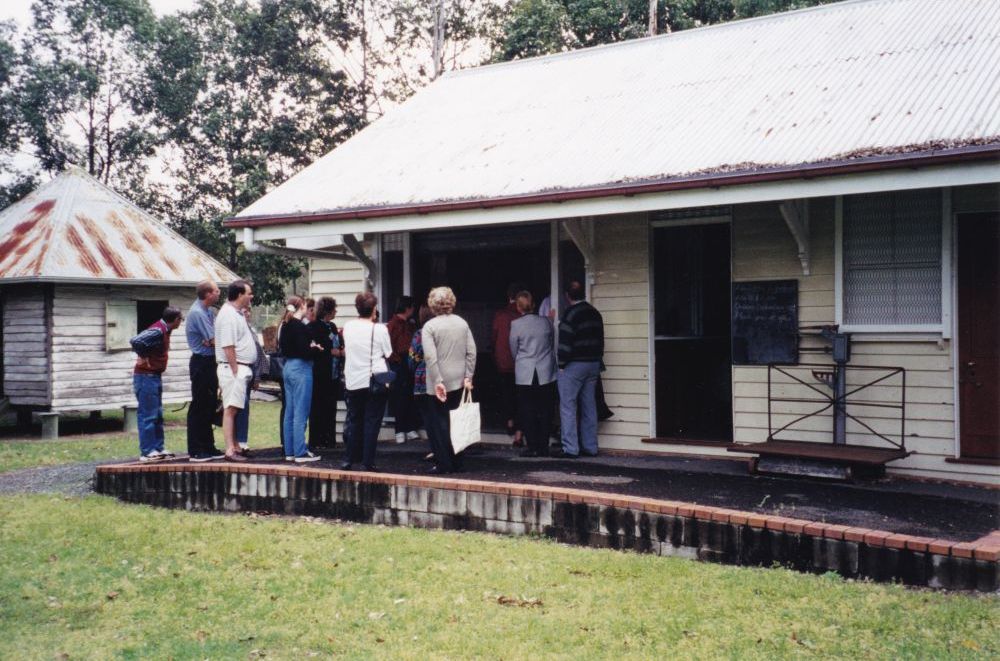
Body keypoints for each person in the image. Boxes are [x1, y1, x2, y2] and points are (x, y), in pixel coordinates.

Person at [421, 287, 477, 474]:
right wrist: (469, 375)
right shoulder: (462, 323)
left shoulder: (429, 327)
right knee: (458, 421)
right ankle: (458, 462)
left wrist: (438, 380)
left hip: (439, 381)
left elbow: (430, 357)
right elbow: (472, 352)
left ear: (432, 305)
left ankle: (444, 463)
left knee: (439, 423)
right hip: (460, 379)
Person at [341, 292, 392, 471]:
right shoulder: (379, 329)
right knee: (372, 422)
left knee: (354, 419)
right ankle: (367, 462)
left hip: (354, 379)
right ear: (374, 309)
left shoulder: (348, 326)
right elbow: (388, 353)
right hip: (375, 379)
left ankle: (348, 459)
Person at [556, 280, 604, 458]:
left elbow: (565, 343)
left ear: (567, 296)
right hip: (592, 363)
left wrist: (561, 365)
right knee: (589, 406)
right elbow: (601, 341)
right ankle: (590, 447)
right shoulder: (595, 313)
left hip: (574, 365)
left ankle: (570, 448)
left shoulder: (570, 314)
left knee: (568, 406)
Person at [509, 291, 557, 458]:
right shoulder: (546, 322)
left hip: (525, 371)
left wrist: (522, 361)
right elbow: (552, 343)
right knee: (544, 409)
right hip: (545, 370)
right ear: (534, 304)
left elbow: (513, 349)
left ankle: (533, 446)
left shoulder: (516, 324)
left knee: (527, 410)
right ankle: (543, 446)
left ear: (518, 307)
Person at [132, 306, 183, 462]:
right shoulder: (158, 330)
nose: (181, 322)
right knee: (148, 414)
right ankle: (147, 451)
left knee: (157, 414)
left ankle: (158, 448)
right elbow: (136, 340)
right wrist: (143, 355)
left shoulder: (166, 330)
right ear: (176, 320)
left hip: (154, 375)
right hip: (145, 376)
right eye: (180, 319)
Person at [215, 279, 257, 462]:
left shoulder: (237, 314)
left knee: (236, 408)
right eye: (249, 293)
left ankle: (236, 446)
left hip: (240, 367)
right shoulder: (228, 315)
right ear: (239, 294)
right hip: (234, 368)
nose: (251, 296)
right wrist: (235, 370)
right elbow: (228, 345)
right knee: (230, 409)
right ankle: (230, 450)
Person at [278, 296, 323, 463]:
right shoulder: (300, 327)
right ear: (302, 306)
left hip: (288, 368)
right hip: (301, 368)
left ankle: (289, 451)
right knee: (301, 412)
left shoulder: (285, 324)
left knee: (289, 411)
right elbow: (305, 351)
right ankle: (300, 453)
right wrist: (316, 349)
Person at [185, 280, 225, 462]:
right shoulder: (198, 313)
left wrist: (212, 340)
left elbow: (216, 337)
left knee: (210, 404)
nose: (219, 293)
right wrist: (212, 341)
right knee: (200, 405)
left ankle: (208, 446)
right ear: (208, 294)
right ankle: (196, 449)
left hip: (210, 361)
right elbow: (215, 339)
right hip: (201, 363)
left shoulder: (209, 311)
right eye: (216, 291)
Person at [308, 296, 343, 450]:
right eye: (334, 309)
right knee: (318, 408)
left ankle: (330, 440)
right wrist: (332, 352)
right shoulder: (314, 327)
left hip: (334, 374)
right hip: (320, 374)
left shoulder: (333, 326)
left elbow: (338, 342)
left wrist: (340, 351)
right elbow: (316, 349)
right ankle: (317, 440)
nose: (336, 311)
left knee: (331, 407)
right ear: (327, 311)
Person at [491, 283, 522, 444]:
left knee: (507, 392)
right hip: (521, 363)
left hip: (503, 360)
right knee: (521, 395)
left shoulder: (500, 315)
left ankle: (509, 420)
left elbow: (494, 337)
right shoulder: (522, 315)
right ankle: (519, 429)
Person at [386, 295, 419, 444]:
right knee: (399, 396)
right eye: (411, 307)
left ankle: (410, 428)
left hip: (410, 362)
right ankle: (399, 430)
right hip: (398, 363)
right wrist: (396, 360)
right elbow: (387, 347)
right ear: (407, 308)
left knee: (411, 394)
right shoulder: (393, 325)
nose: (413, 310)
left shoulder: (410, 325)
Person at [234, 305, 267, 454]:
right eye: (243, 311)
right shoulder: (237, 330)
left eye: (248, 311)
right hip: (238, 371)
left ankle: (242, 441)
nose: (246, 313)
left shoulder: (251, 330)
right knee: (238, 407)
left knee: (245, 408)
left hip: (251, 372)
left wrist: (257, 377)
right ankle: (236, 442)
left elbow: (258, 354)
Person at [407, 305, 434, 459]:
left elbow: (412, 359)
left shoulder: (420, 334)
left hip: (422, 380)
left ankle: (436, 448)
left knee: (429, 417)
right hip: (444, 380)